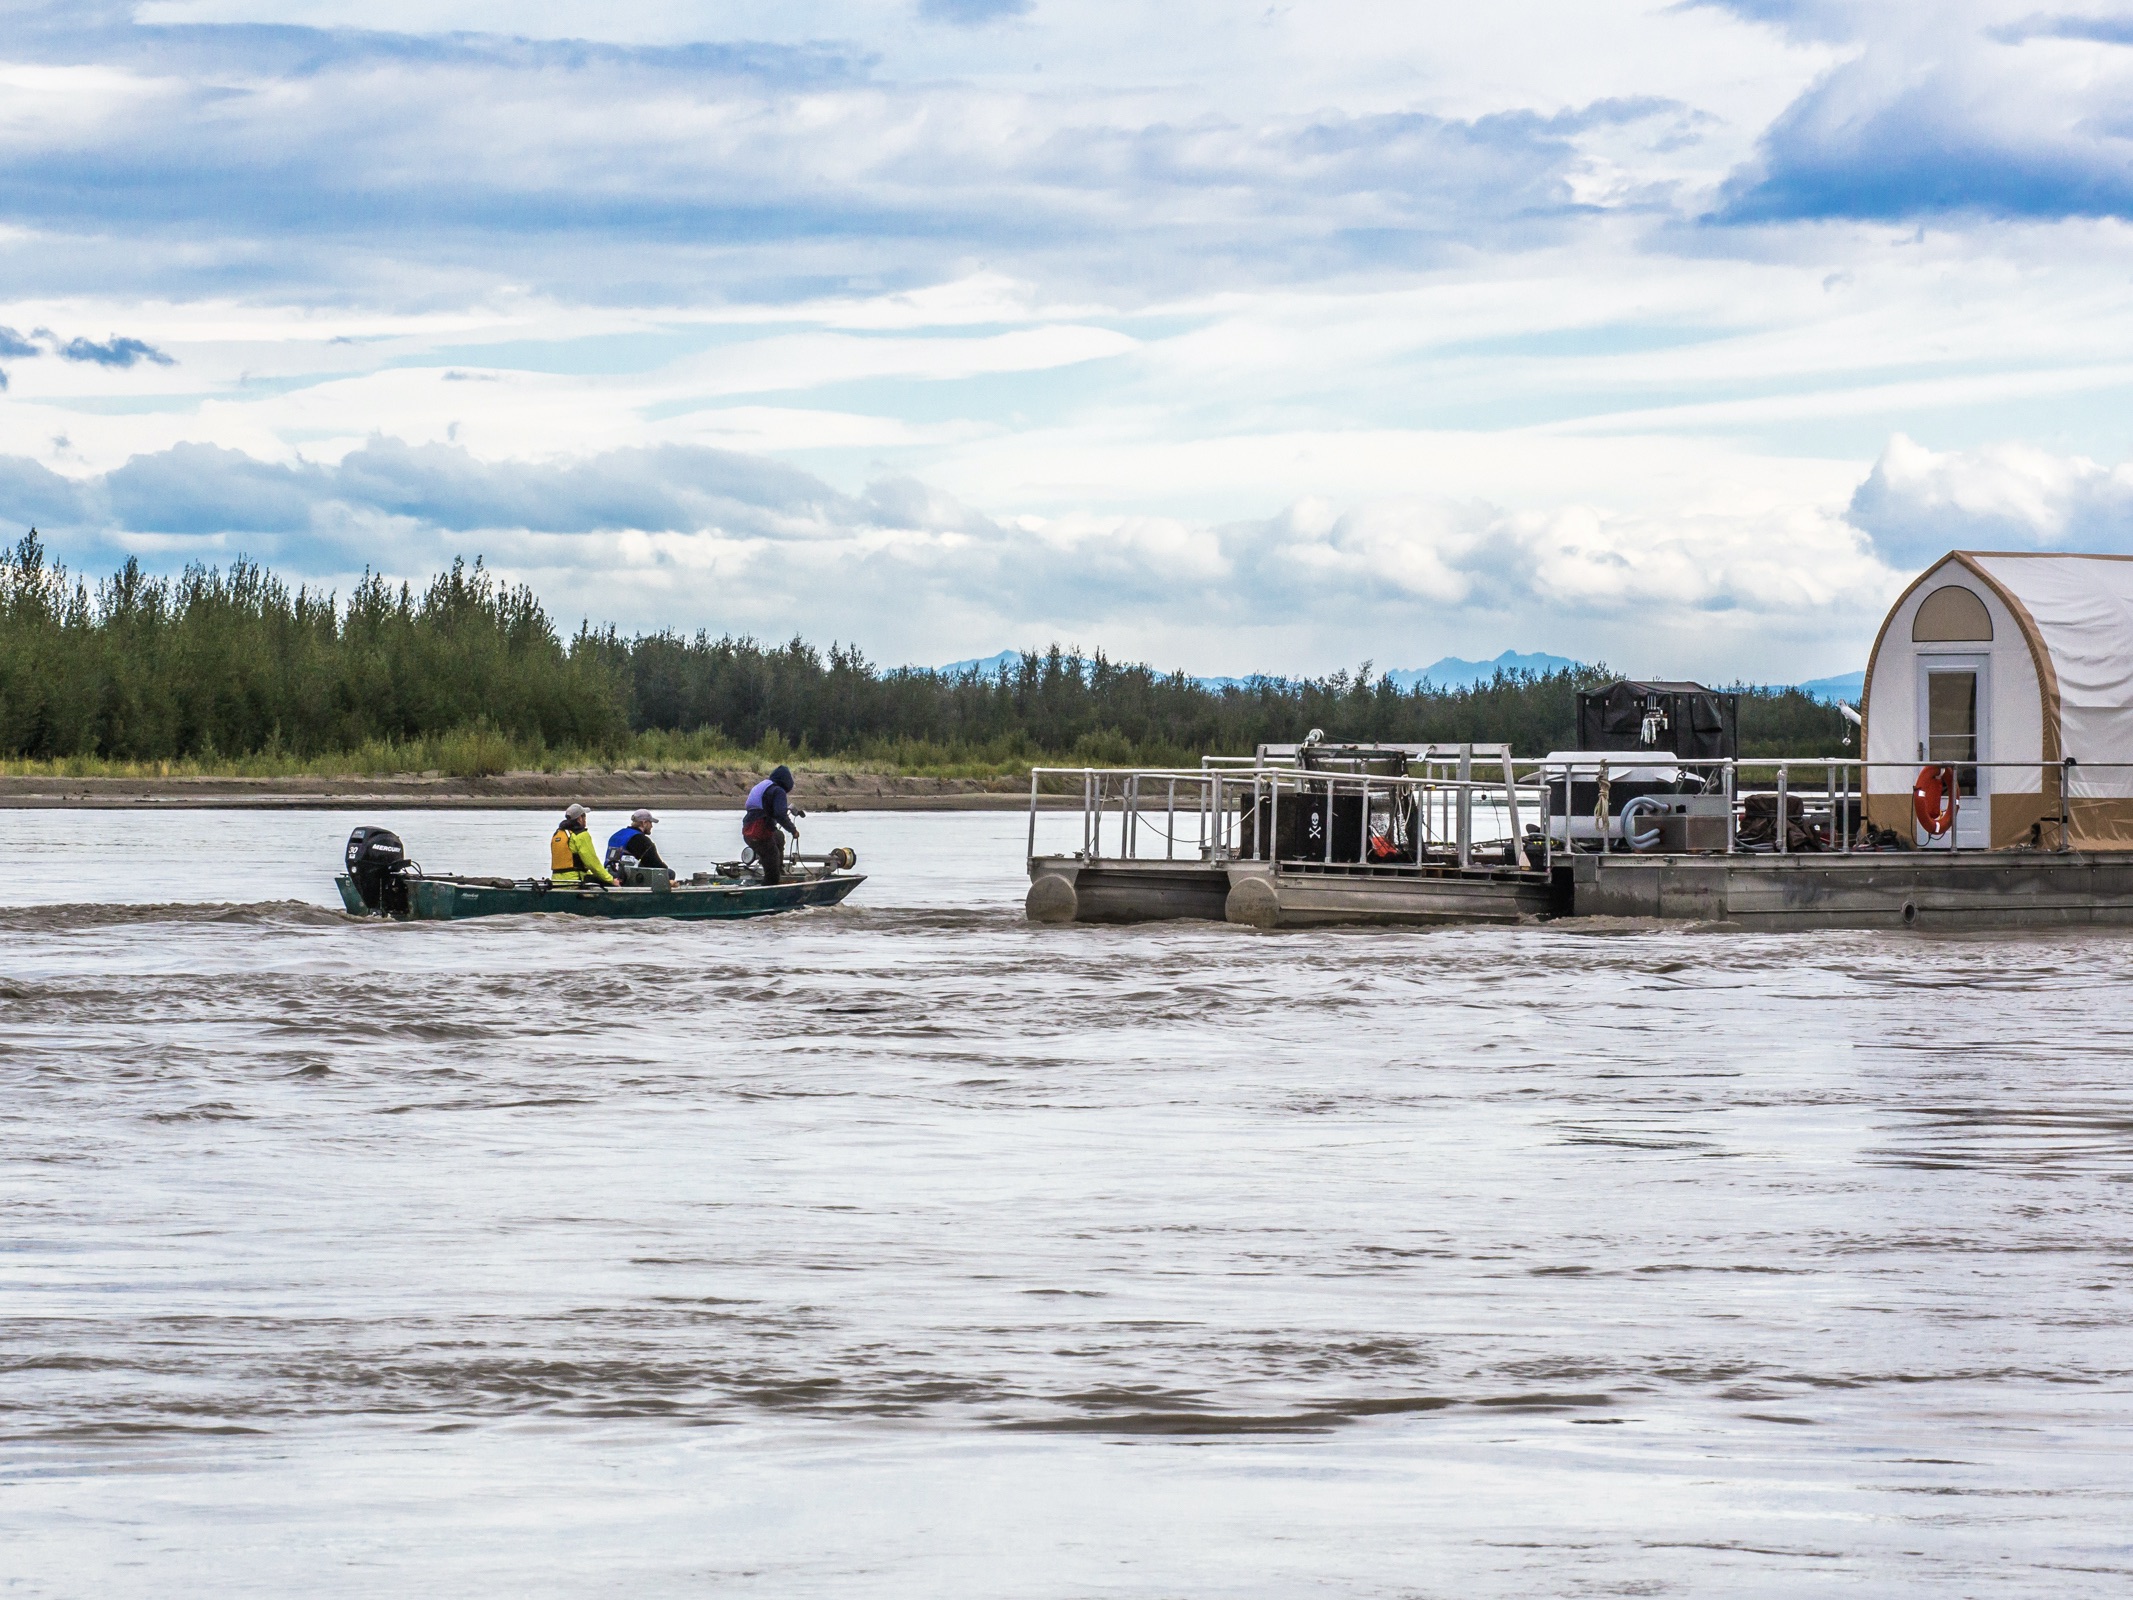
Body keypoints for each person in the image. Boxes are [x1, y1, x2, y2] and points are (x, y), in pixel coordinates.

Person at [741, 765, 803, 884]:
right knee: (772, 861)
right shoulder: (779, 791)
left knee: (778, 836)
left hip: (748, 830)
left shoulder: (765, 787)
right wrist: (793, 830)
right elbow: (780, 815)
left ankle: (778, 868)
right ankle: (770, 884)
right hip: (760, 833)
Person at [550, 803, 615, 886]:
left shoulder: (558, 834)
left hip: (556, 881)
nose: (585, 819)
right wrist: (610, 879)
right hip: (574, 881)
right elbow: (592, 863)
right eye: (584, 816)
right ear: (580, 818)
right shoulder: (581, 835)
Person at [605, 808, 671, 874]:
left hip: (610, 872)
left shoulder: (617, 835)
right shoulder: (641, 840)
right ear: (644, 823)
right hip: (626, 877)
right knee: (670, 873)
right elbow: (656, 864)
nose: (652, 826)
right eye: (650, 822)